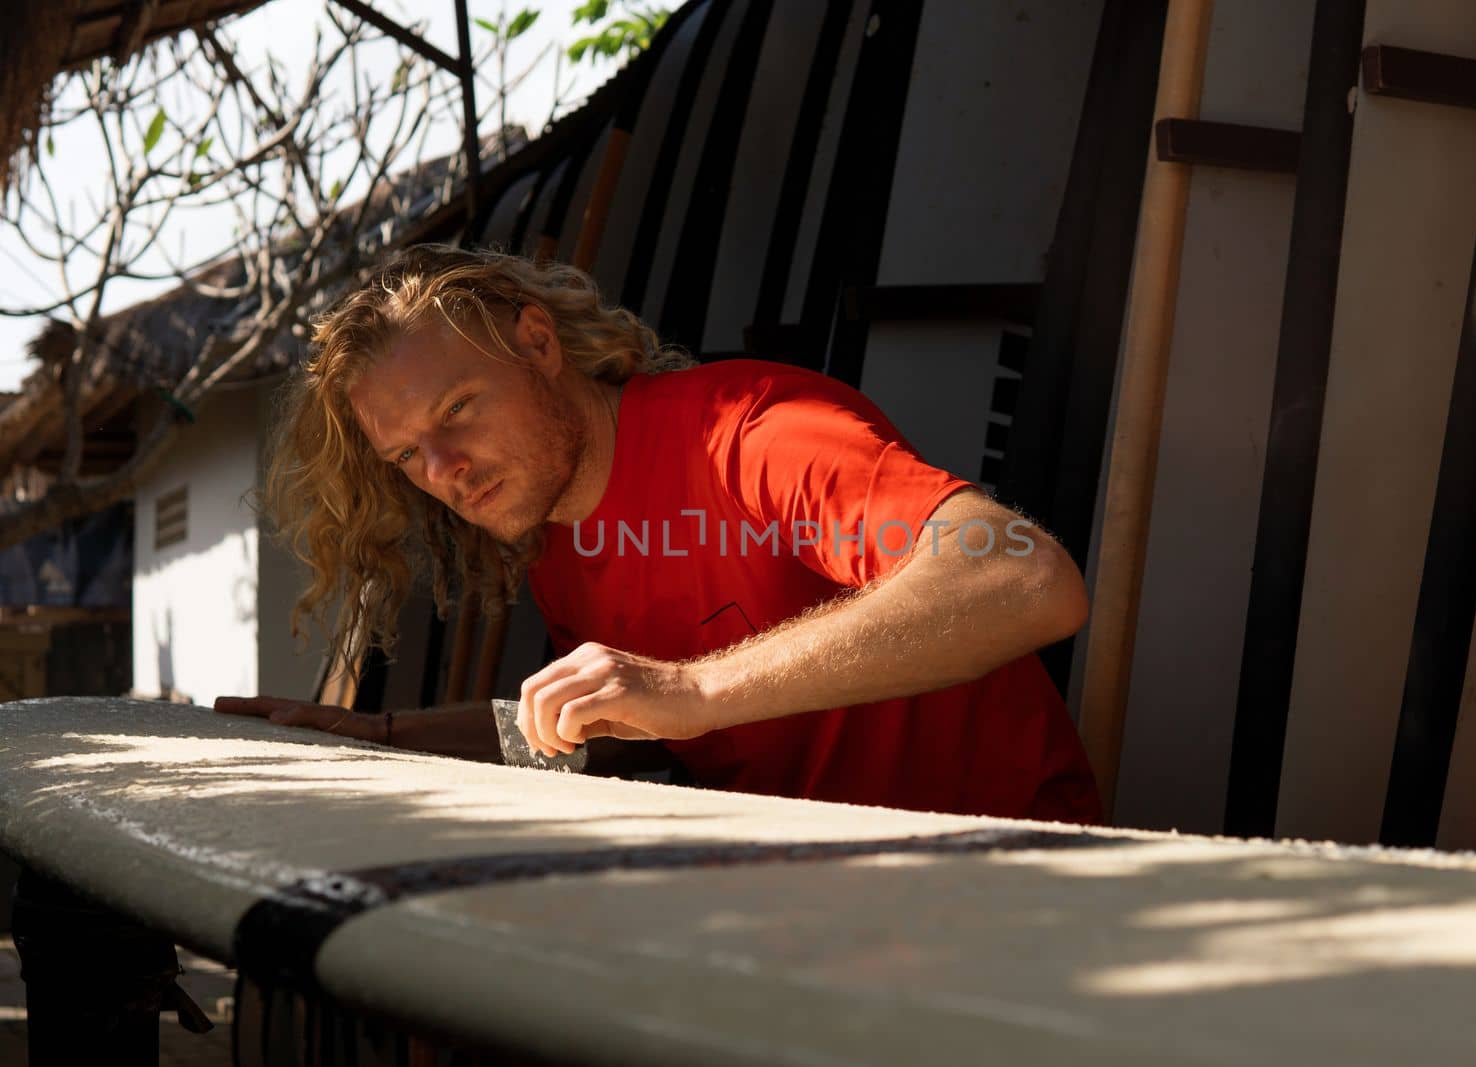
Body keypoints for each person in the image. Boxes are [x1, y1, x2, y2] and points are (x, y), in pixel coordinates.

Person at [217, 244, 1101, 823]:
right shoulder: (558, 539)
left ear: (537, 341)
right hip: (827, 904)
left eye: (459, 408)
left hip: (1021, 888)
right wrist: (380, 736)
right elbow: (596, 726)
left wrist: (691, 689)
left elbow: (1028, 582)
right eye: (408, 453)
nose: (446, 467)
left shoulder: (752, 431)